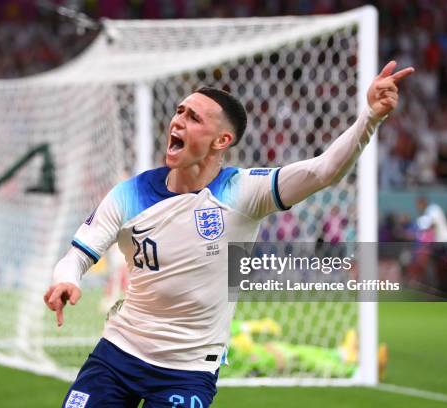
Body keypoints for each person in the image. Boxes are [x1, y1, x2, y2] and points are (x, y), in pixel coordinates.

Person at [44, 60, 414, 407]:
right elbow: (78, 254)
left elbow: (323, 172)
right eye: (178, 112)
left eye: (193, 118)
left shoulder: (244, 192)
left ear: (221, 141)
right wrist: (66, 279)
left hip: (186, 371)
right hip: (118, 352)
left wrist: (370, 117)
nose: (178, 122)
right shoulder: (129, 194)